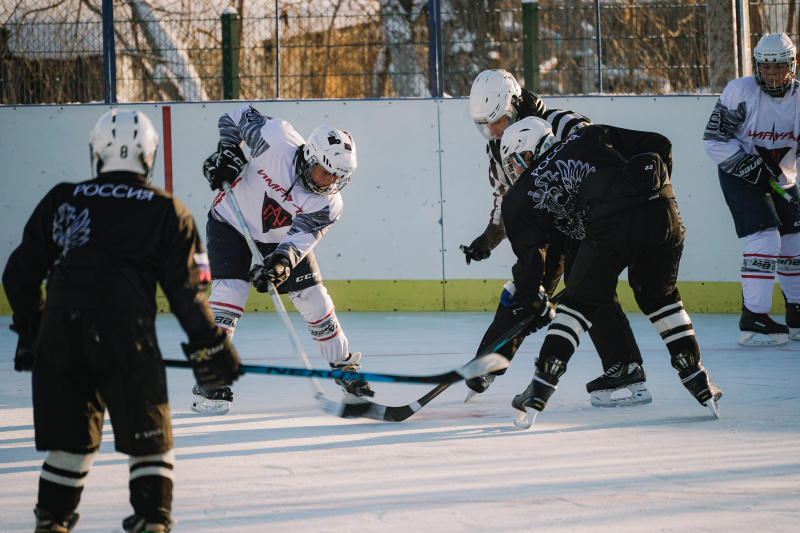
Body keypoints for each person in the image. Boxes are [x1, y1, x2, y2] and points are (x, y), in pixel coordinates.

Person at [2, 109, 241, 533]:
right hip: (127, 340)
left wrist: (32, 330)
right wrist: (211, 348)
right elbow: (188, 295)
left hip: (61, 337)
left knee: (68, 451)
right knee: (152, 449)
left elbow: (18, 275)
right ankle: (151, 521)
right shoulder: (168, 211)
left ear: (96, 153)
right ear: (148, 157)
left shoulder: (62, 198)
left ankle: (53, 522)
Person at [499, 117, 722, 428]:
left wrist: (529, 299)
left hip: (611, 222)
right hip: (664, 212)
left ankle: (541, 385)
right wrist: (647, 192)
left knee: (578, 305)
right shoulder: (587, 136)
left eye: (513, 162)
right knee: (661, 298)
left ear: (525, 153)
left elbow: (531, 260)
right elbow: (659, 144)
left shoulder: (518, 198)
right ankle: (695, 373)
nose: (515, 172)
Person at [462, 69, 649, 407]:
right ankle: (489, 362)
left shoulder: (565, 124)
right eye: (484, 125)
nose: (492, 131)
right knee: (526, 288)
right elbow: (506, 197)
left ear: (516, 104)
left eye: (499, 120)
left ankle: (625, 365)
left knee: (587, 283)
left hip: (586, 218)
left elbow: (606, 160)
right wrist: (489, 238)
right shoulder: (497, 146)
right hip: (546, 223)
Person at [192, 104, 368, 415]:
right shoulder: (274, 137)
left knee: (314, 298)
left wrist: (279, 265)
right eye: (324, 171)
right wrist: (229, 148)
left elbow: (298, 242)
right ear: (309, 156)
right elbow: (234, 116)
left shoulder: (328, 205)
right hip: (230, 221)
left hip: (279, 239)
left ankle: (345, 368)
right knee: (229, 294)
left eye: (337, 177)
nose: (328, 182)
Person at [703, 33, 800, 347]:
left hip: (782, 177)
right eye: (766, 67)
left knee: (795, 239)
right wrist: (747, 166)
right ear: (757, 66)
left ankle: (796, 312)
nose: (772, 74)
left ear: (792, 66)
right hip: (740, 174)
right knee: (765, 236)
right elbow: (714, 140)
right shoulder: (739, 91)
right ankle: (754, 317)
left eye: (780, 67)